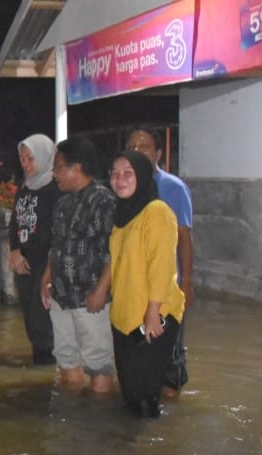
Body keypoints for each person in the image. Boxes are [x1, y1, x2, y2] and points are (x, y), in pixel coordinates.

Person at [108, 150, 185, 418]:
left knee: (144, 392)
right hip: (124, 316)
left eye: (128, 173)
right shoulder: (121, 216)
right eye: (115, 174)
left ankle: (151, 452)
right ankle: (131, 452)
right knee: (130, 394)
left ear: (141, 175)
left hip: (154, 316)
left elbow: (162, 265)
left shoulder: (157, 212)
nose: (120, 179)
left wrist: (153, 312)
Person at [39, 137, 116, 393]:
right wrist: (46, 279)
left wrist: (101, 291)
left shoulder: (104, 201)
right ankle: (72, 416)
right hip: (61, 296)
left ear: (77, 167)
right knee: (66, 358)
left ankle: (97, 420)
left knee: (98, 364)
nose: (55, 173)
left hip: (90, 297)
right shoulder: (63, 203)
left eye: (59, 167)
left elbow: (115, 252)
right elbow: (57, 245)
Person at [125, 126, 193, 397]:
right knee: (136, 358)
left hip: (166, 293)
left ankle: (171, 428)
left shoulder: (174, 188)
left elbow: (184, 238)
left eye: (144, 146)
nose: (138, 151)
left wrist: (187, 283)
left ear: (159, 153)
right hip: (132, 293)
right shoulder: (123, 188)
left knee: (168, 365)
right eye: (132, 146)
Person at [8, 134, 61, 365]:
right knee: (31, 322)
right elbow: (15, 222)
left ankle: (48, 373)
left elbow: (56, 230)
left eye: (31, 158)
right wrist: (15, 250)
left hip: (46, 263)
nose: (26, 164)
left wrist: (45, 263)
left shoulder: (56, 188)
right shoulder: (26, 187)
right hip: (24, 264)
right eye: (22, 159)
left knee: (43, 322)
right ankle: (40, 370)